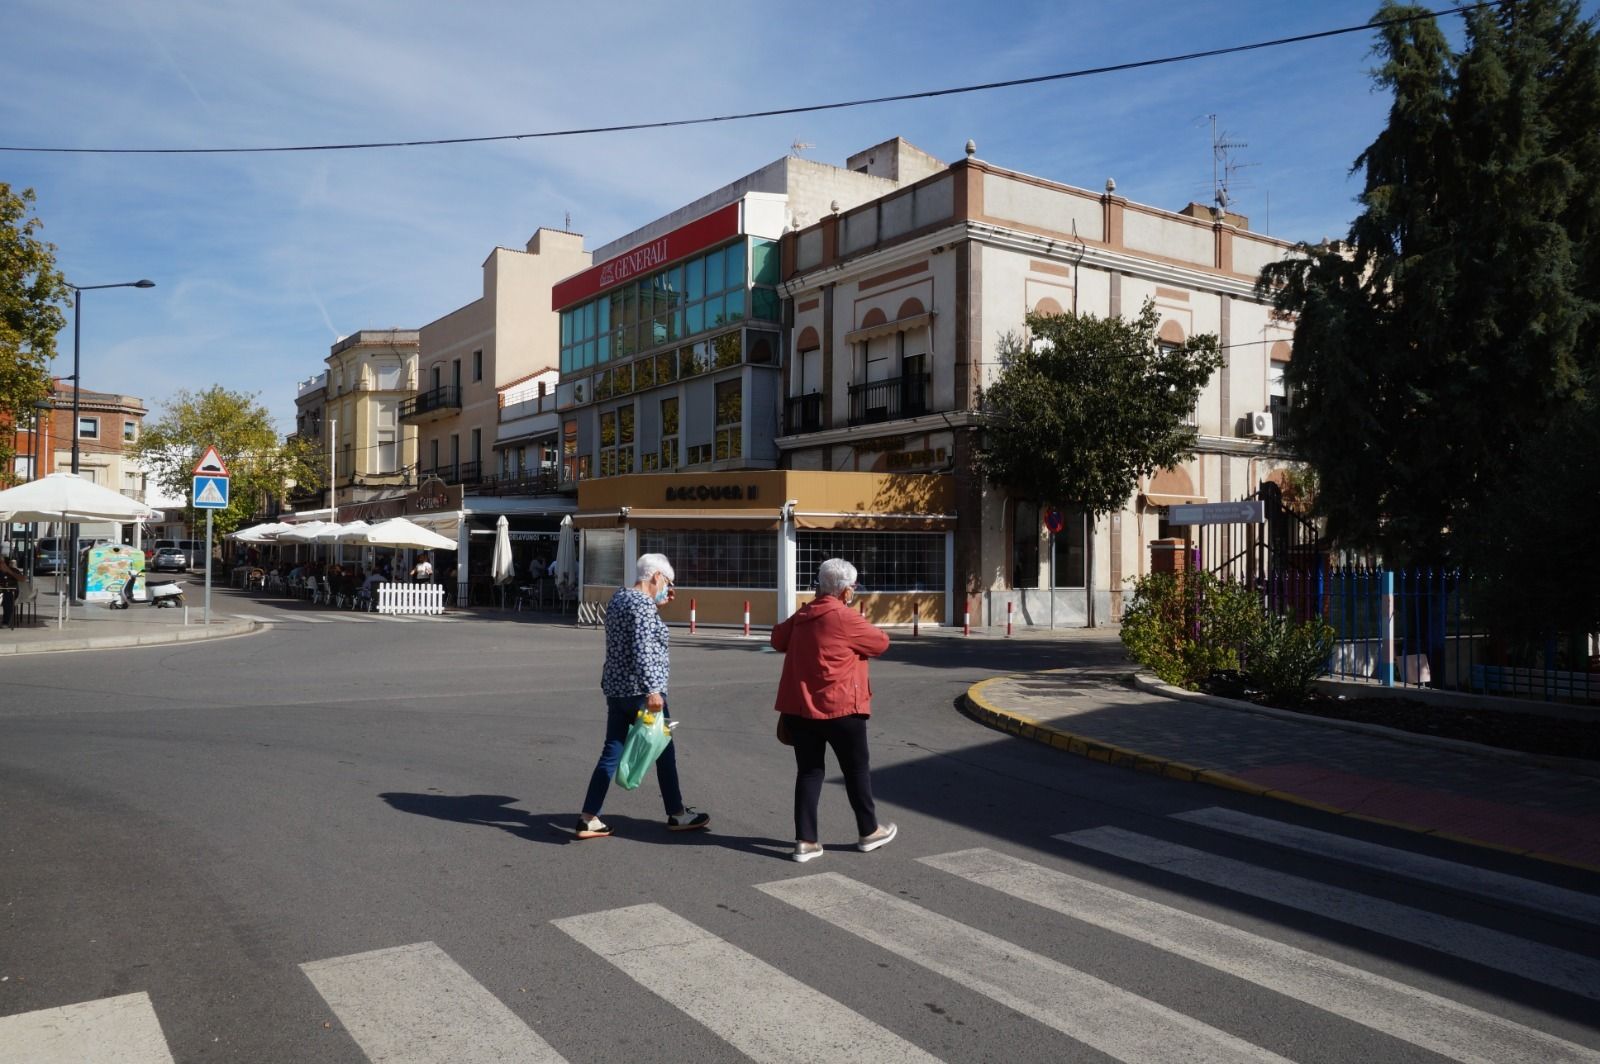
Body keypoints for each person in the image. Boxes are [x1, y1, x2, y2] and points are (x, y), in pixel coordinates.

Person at [576, 553, 710, 840]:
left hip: (616, 688)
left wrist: (656, 604)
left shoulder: (620, 598)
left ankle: (589, 816)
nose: (668, 588)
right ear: (656, 576)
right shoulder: (643, 607)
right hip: (643, 692)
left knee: (611, 752)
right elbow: (643, 649)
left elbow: (629, 638)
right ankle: (677, 813)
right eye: (668, 581)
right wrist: (652, 690)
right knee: (664, 752)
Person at [771, 558, 895, 862]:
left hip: (801, 710)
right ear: (846, 591)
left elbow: (777, 639)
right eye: (853, 587)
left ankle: (806, 841)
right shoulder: (843, 616)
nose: (853, 591)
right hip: (842, 710)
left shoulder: (804, 614)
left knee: (809, 772)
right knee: (855, 770)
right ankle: (869, 831)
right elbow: (880, 643)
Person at [0, 553, 24, 627]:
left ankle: (6, 622)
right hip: (1, 592)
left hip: (12, 592)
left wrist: (9, 571)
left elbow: (23, 579)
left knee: (8, 597)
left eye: (2, 562)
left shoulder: (14, 570)